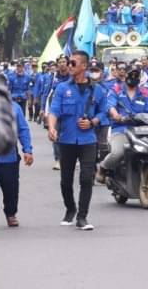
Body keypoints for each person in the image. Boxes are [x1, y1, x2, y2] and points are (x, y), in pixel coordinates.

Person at [48, 50, 107, 231]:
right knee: (66, 180)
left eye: (73, 63)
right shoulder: (62, 88)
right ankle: (70, 208)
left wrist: (92, 122)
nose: (69, 66)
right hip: (66, 140)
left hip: (88, 140)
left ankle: (82, 216)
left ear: (84, 66)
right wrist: (51, 127)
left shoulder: (97, 90)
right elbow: (54, 111)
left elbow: (103, 112)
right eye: (68, 62)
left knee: (86, 179)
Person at [0, 77, 33, 231]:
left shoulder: (15, 108)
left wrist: (28, 150)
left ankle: (11, 214)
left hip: (9, 157)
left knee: (11, 188)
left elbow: (23, 130)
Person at [96, 67, 148, 182]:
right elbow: (110, 106)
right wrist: (115, 114)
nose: (133, 78)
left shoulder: (144, 92)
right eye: (131, 75)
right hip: (120, 129)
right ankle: (103, 168)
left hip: (141, 130)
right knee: (118, 152)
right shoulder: (116, 90)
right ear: (125, 77)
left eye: (136, 76)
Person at [41, 55, 71, 170]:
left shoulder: (72, 76)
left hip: (69, 110)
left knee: (69, 134)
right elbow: (46, 93)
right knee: (55, 134)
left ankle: (69, 158)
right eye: (60, 62)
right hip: (55, 110)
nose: (62, 64)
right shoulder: (53, 77)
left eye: (64, 62)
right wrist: (43, 109)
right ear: (57, 64)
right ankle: (58, 159)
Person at [88, 61, 111, 164]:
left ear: (102, 72)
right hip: (89, 122)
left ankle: (103, 168)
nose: (94, 73)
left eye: (96, 71)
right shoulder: (85, 87)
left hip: (104, 122)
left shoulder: (108, 87)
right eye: (92, 71)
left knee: (103, 146)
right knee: (91, 147)